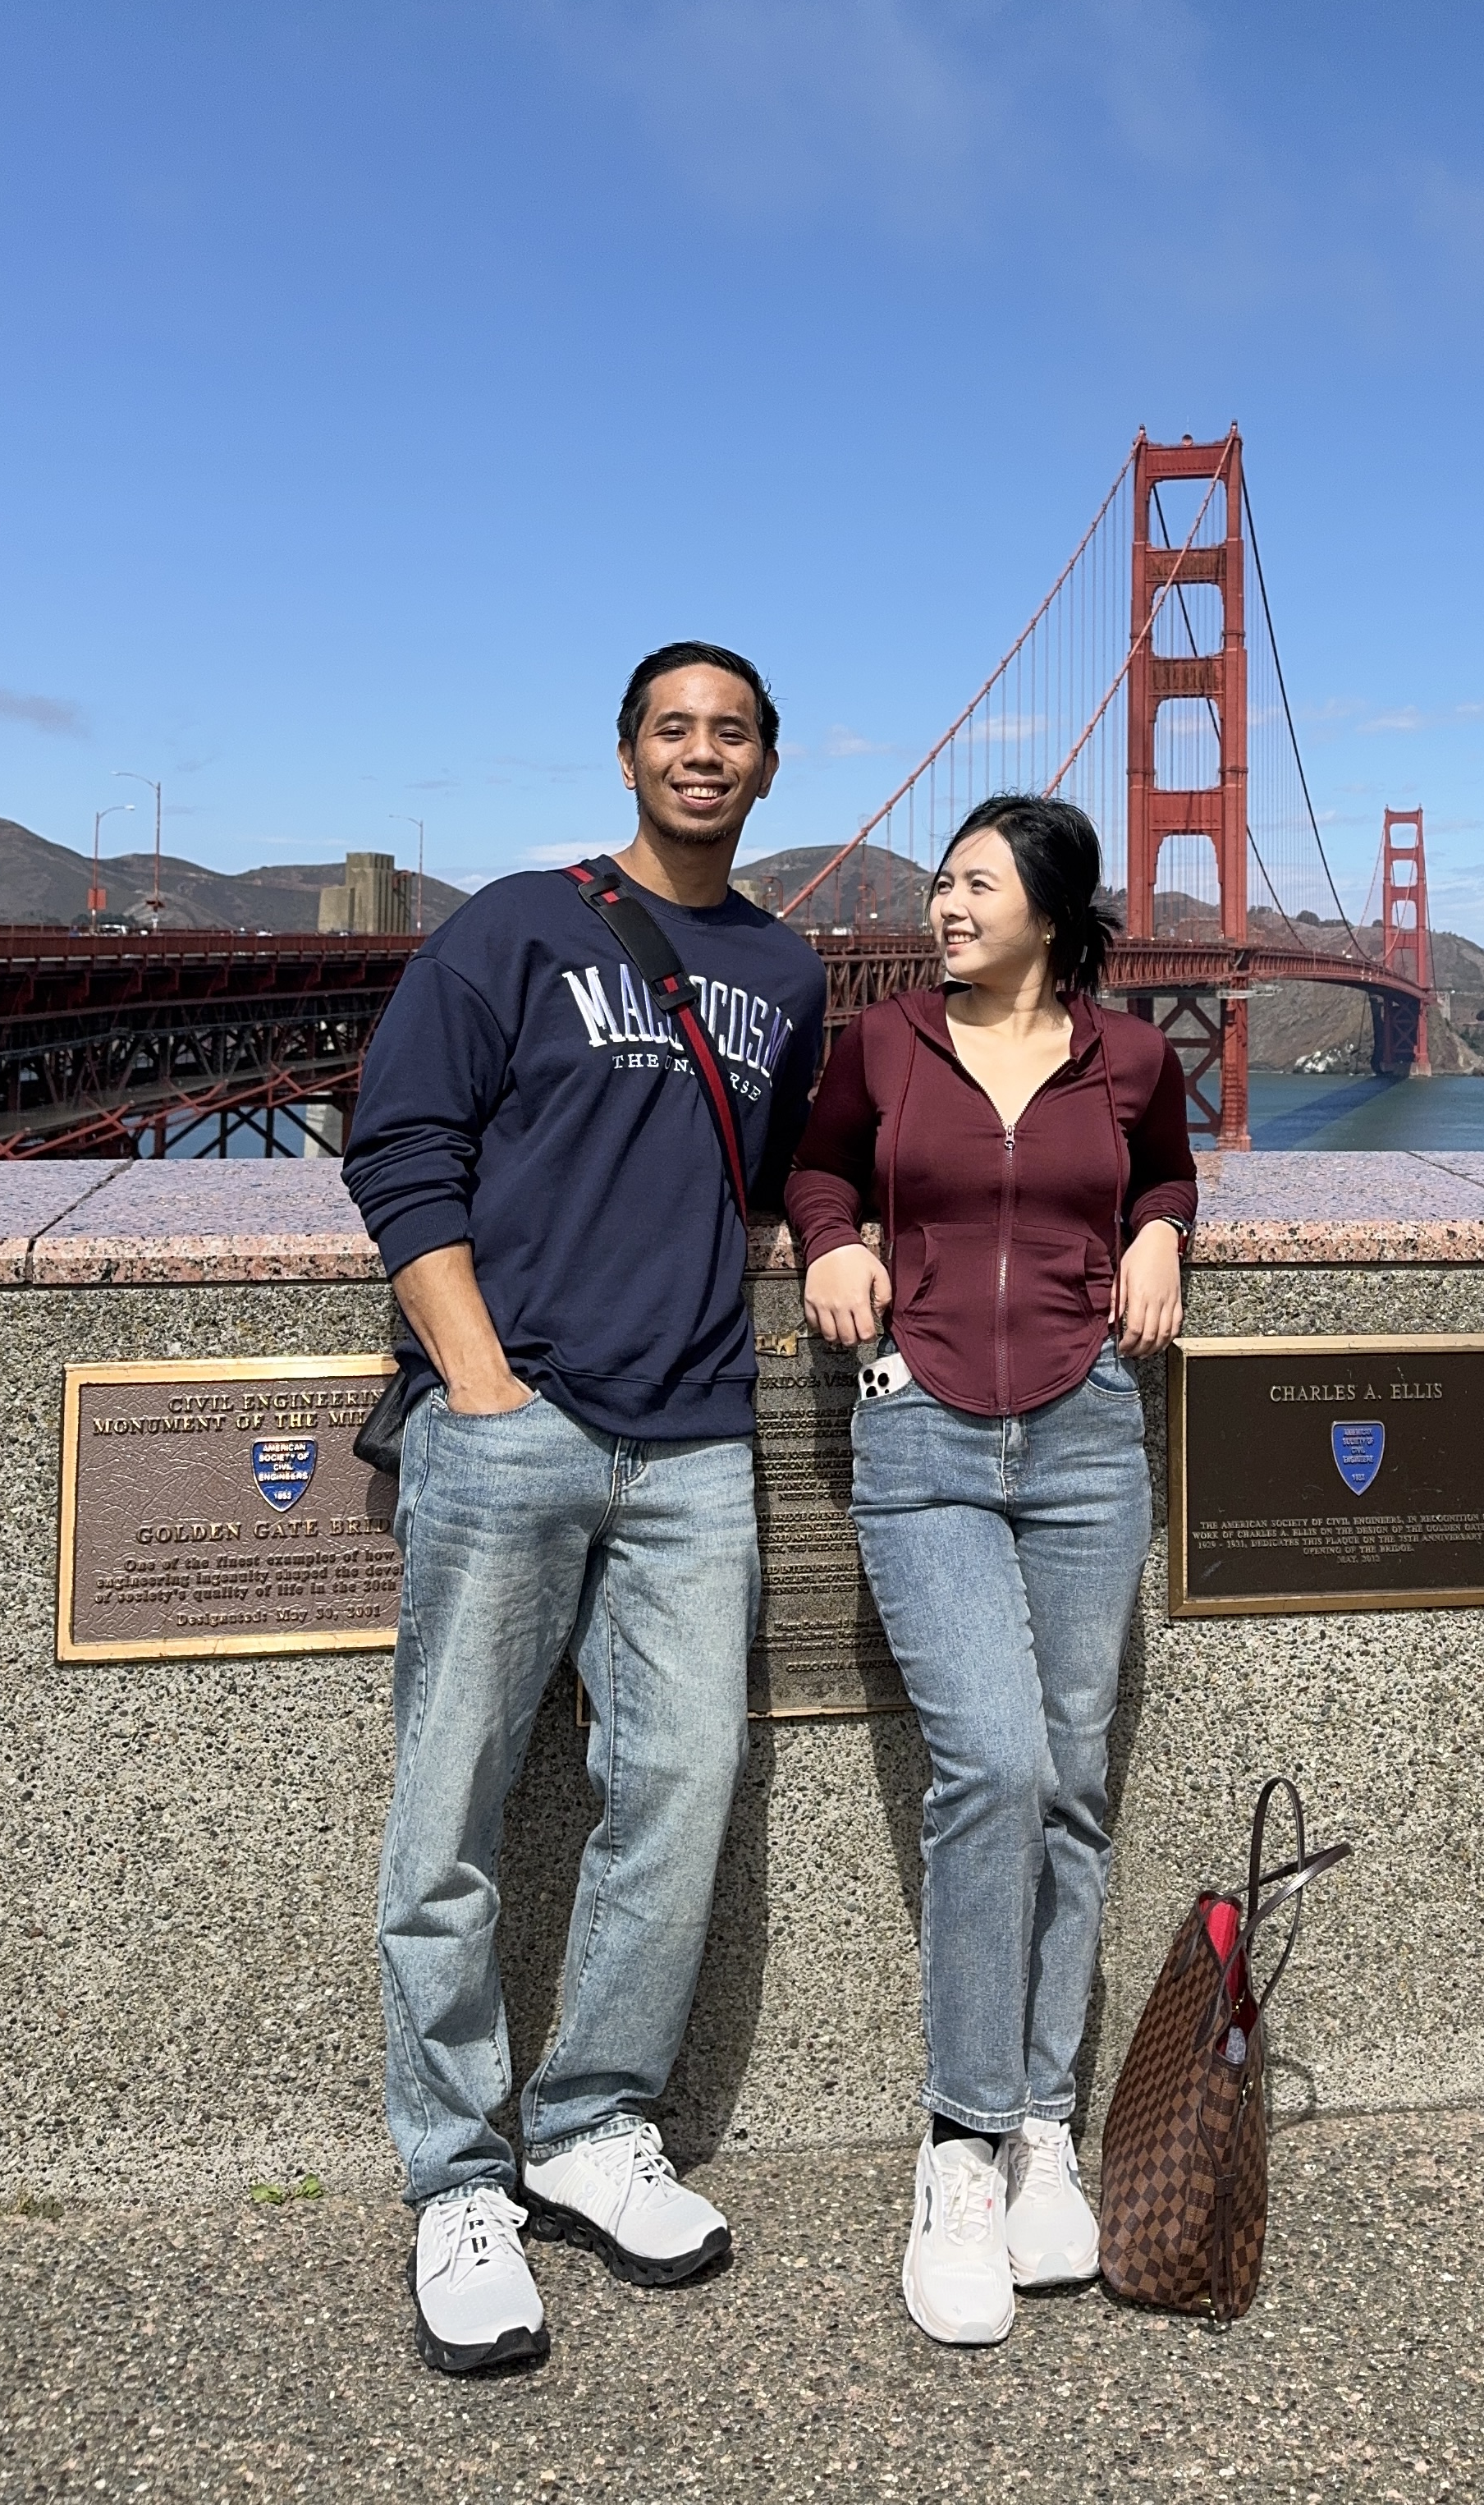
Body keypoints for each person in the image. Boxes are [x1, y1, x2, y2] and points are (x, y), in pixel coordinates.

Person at [344, 642, 825, 2377]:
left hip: (695, 1444)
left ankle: (593, 2124)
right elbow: (399, 1147)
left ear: (768, 766)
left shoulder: (787, 971)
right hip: (513, 1425)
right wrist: (480, 1382)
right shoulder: (511, 929)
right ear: (628, 756)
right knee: (450, 1812)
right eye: (673, 728)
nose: (703, 753)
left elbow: (783, 1175)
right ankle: (455, 2178)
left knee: (680, 1794)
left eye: (732, 732)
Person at [785, 791, 1196, 2347]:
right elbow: (817, 1171)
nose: (946, 908)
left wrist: (1161, 1231)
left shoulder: (1133, 1057)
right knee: (998, 1765)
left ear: (1052, 910)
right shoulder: (884, 1045)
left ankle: (1044, 2131)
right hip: (924, 1436)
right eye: (942, 884)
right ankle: (959, 2149)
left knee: (1075, 1783)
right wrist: (833, 1241)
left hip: (1088, 1435)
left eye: (976, 885)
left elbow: (1163, 1172)